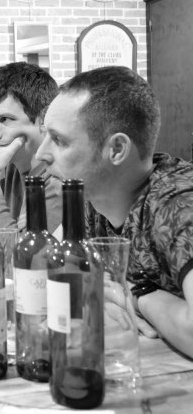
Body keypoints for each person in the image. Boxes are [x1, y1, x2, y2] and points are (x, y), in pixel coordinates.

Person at [35, 65, 193, 357]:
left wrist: (136, 294)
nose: (40, 154)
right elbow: (44, 266)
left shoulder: (178, 203)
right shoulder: (92, 196)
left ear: (117, 149)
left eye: (58, 140)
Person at [0, 61, 62, 235]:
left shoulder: (59, 179)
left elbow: (20, 251)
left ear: (44, 118)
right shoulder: (6, 167)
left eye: (4, 119)